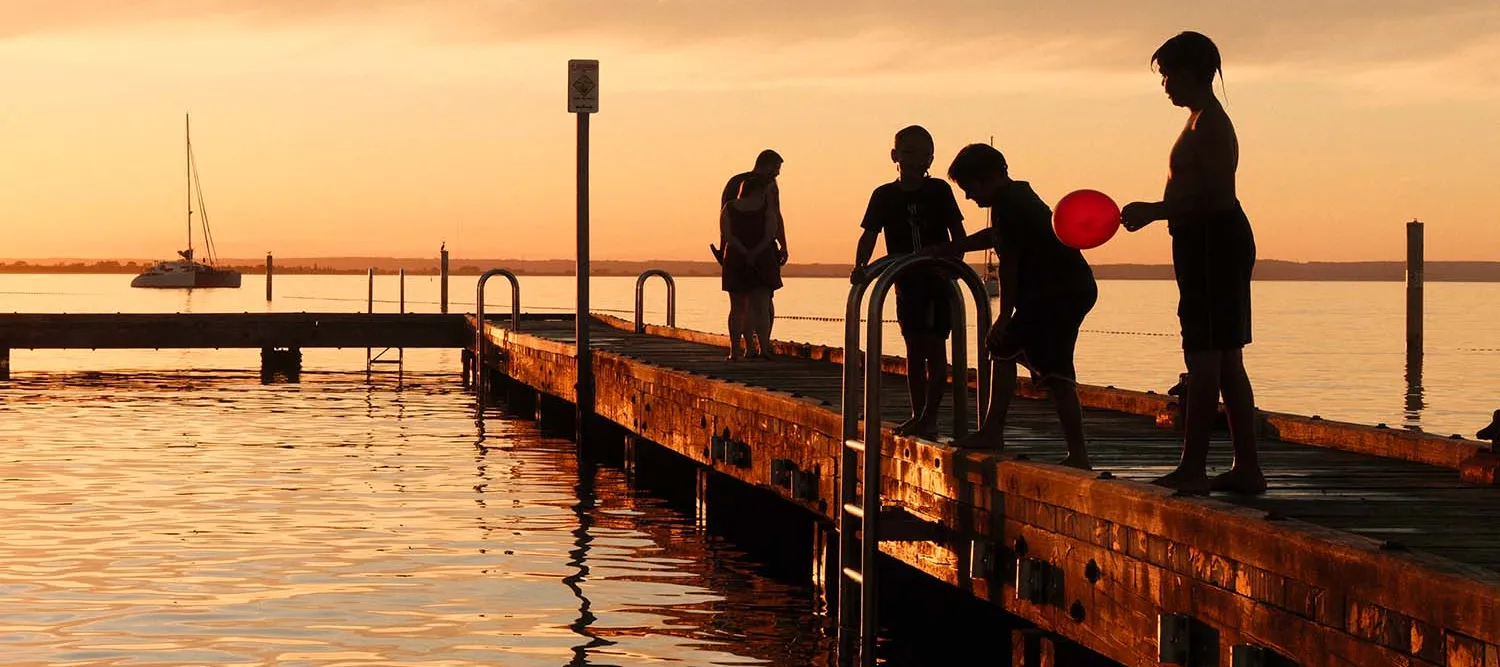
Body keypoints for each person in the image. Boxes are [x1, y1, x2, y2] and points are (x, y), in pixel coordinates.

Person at [1121, 31, 1264, 495]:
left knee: (1205, 357)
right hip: (1204, 242)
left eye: (1168, 75)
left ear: (1191, 73)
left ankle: (1195, 467)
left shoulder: (1211, 126)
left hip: (1212, 242)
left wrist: (1153, 211)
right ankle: (1245, 467)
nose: (1164, 85)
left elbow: (1217, 197)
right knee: (1224, 360)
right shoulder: (1198, 120)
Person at [920, 143, 1097, 468]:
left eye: (970, 188)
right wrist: (950, 248)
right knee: (1005, 349)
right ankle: (994, 430)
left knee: (1050, 368)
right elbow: (995, 237)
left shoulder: (1011, 203)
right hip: (1062, 291)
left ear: (987, 178)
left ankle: (1077, 454)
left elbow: (1009, 262)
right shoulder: (1015, 199)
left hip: (1058, 293)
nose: (969, 197)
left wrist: (1004, 314)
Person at [851, 126, 967, 438]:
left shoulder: (939, 190)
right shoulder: (884, 195)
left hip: (937, 279)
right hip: (905, 280)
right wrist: (860, 266)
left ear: (932, 158)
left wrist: (956, 265)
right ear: (895, 156)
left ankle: (931, 415)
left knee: (935, 347)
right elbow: (870, 234)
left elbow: (958, 233)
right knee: (914, 350)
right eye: (909, 153)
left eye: (924, 154)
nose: (917, 160)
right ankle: (919, 414)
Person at [721, 150, 788, 337]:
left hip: (734, 251)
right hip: (763, 250)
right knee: (764, 299)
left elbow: (724, 219)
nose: (778, 173)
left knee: (739, 303)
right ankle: (763, 346)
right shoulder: (769, 185)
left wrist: (724, 249)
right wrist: (783, 245)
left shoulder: (734, 182)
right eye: (776, 168)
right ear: (766, 165)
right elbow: (776, 216)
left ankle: (742, 347)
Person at [720, 175, 781, 360]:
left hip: (735, 259)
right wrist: (755, 253)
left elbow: (727, 234)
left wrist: (743, 252)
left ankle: (735, 350)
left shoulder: (729, 208)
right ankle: (763, 348)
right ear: (760, 190)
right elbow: (770, 234)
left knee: (737, 308)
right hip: (762, 259)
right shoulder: (766, 209)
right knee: (761, 307)